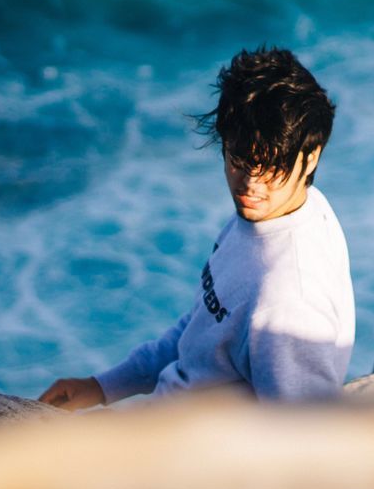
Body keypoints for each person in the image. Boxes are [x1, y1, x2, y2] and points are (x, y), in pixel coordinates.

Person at [39, 46, 354, 409]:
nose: (251, 184)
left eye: (270, 167)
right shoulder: (282, 213)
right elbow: (202, 332)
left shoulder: (288, 302)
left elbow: (300, 438)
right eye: (239, 160)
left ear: (310, 155)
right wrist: (103, 386)